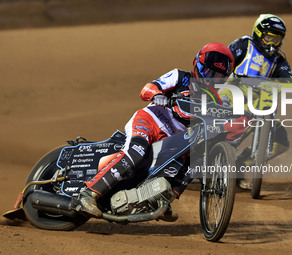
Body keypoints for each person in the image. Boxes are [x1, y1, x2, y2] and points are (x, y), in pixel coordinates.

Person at [75, 42, 235, 218]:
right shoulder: (180, 76)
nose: (211, 79)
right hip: (151, 120)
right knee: (136, 151)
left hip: (172, 140)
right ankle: (88, 193)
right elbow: (148, 88)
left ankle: (163, 200)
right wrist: (157, 95)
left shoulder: (217, 101)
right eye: (208, 72)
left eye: (218, 77)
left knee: (194, 158)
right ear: (197, 64)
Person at [219, 14, 292, 189]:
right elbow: (224, 62)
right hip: (233, 93)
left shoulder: (278, 60)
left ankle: (238, 166)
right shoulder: (243, 45)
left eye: (277, 39)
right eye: (268, 37)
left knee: (280, 142)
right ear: (258, 33)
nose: (272, 43)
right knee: (222, 127)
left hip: (259, 103)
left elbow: (289, 77)